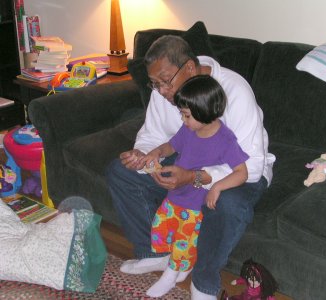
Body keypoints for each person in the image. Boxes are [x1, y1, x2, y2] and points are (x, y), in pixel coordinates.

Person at [106, 35, 275, 299]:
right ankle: (162, 254)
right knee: (121, 172)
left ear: (189, 68)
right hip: (186, 159)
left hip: (236, 173)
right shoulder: (163, 93)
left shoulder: (233, 90)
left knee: (228, 205)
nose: (161, 91)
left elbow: (252, 165)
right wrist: (143, 156)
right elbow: (154, 135)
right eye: (155, 84)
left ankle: (204, 281)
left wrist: (194, 178)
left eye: (165, 81)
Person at [143, 75, 249, 297]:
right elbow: (172, 145)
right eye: (182, 113)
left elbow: (242, 172)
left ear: (204, 111)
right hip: (175, 196)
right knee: (163, 229)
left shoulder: (225, 140)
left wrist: (218, 186)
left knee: (184, 240)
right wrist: (157, 152)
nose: (183, 120)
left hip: (193, 204)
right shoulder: (189, 129)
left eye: (186, 115)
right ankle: (180, 265)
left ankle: (172, 274)